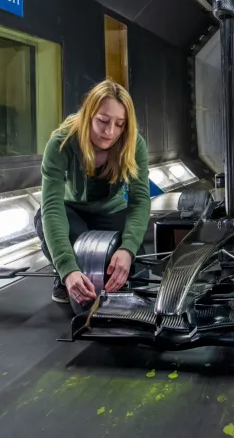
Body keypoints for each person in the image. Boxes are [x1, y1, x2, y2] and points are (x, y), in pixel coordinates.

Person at [35, 80, 150, 304]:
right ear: (88, 114)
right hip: (72, 212)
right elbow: (52, 207)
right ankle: (61, 271)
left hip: (111, 213)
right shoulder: (61, 142)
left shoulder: (135, 144)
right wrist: (67, 269)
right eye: (103, 121)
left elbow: (140, 201)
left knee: (138, 277)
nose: (110, 132)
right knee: (50, 228)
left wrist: (127, 249)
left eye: (120, 124)